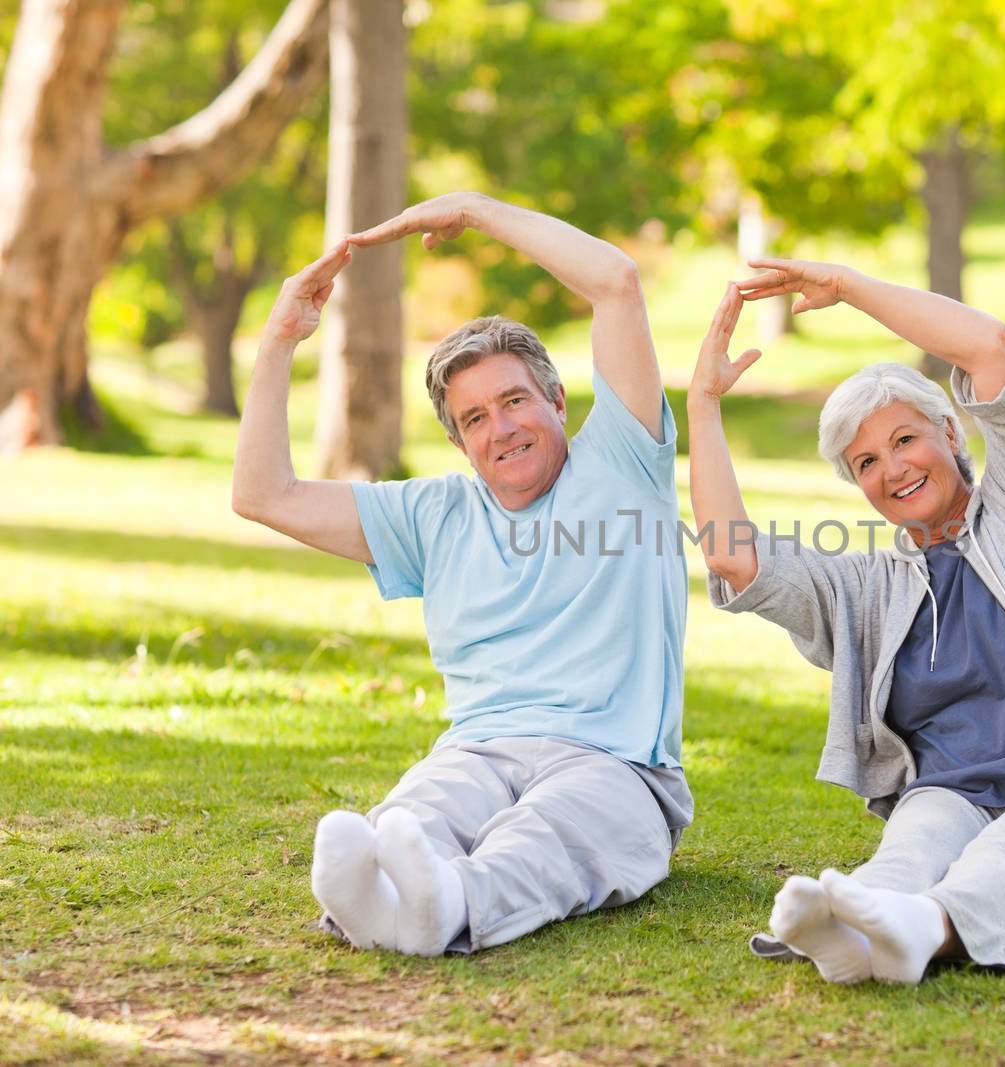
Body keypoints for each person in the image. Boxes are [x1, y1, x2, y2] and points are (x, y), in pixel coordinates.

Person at [231, 192, 691, 957]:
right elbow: (262, 495)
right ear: (458, 440)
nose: (501, 428)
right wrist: (279, 341)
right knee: (421, 813)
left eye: (514, 401)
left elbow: (615, 281)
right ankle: (380, 896)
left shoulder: (623, 462)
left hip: (618, 768)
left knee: (545, 833)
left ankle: (446, 905)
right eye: (475, 418)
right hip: (476, 751)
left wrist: (475, 212)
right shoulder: (433, 514)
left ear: (556, 400)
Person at [686, 261, 1005, 984]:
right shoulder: (868, 587)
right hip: (952, 795)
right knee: (909, 850)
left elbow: (992, 348)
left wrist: (847, 289)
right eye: (866, 461)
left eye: (905, 440)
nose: (892, 469)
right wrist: (705, 401)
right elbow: (732, 558)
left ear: (948, 430)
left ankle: (916, 932)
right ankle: (859, 931)